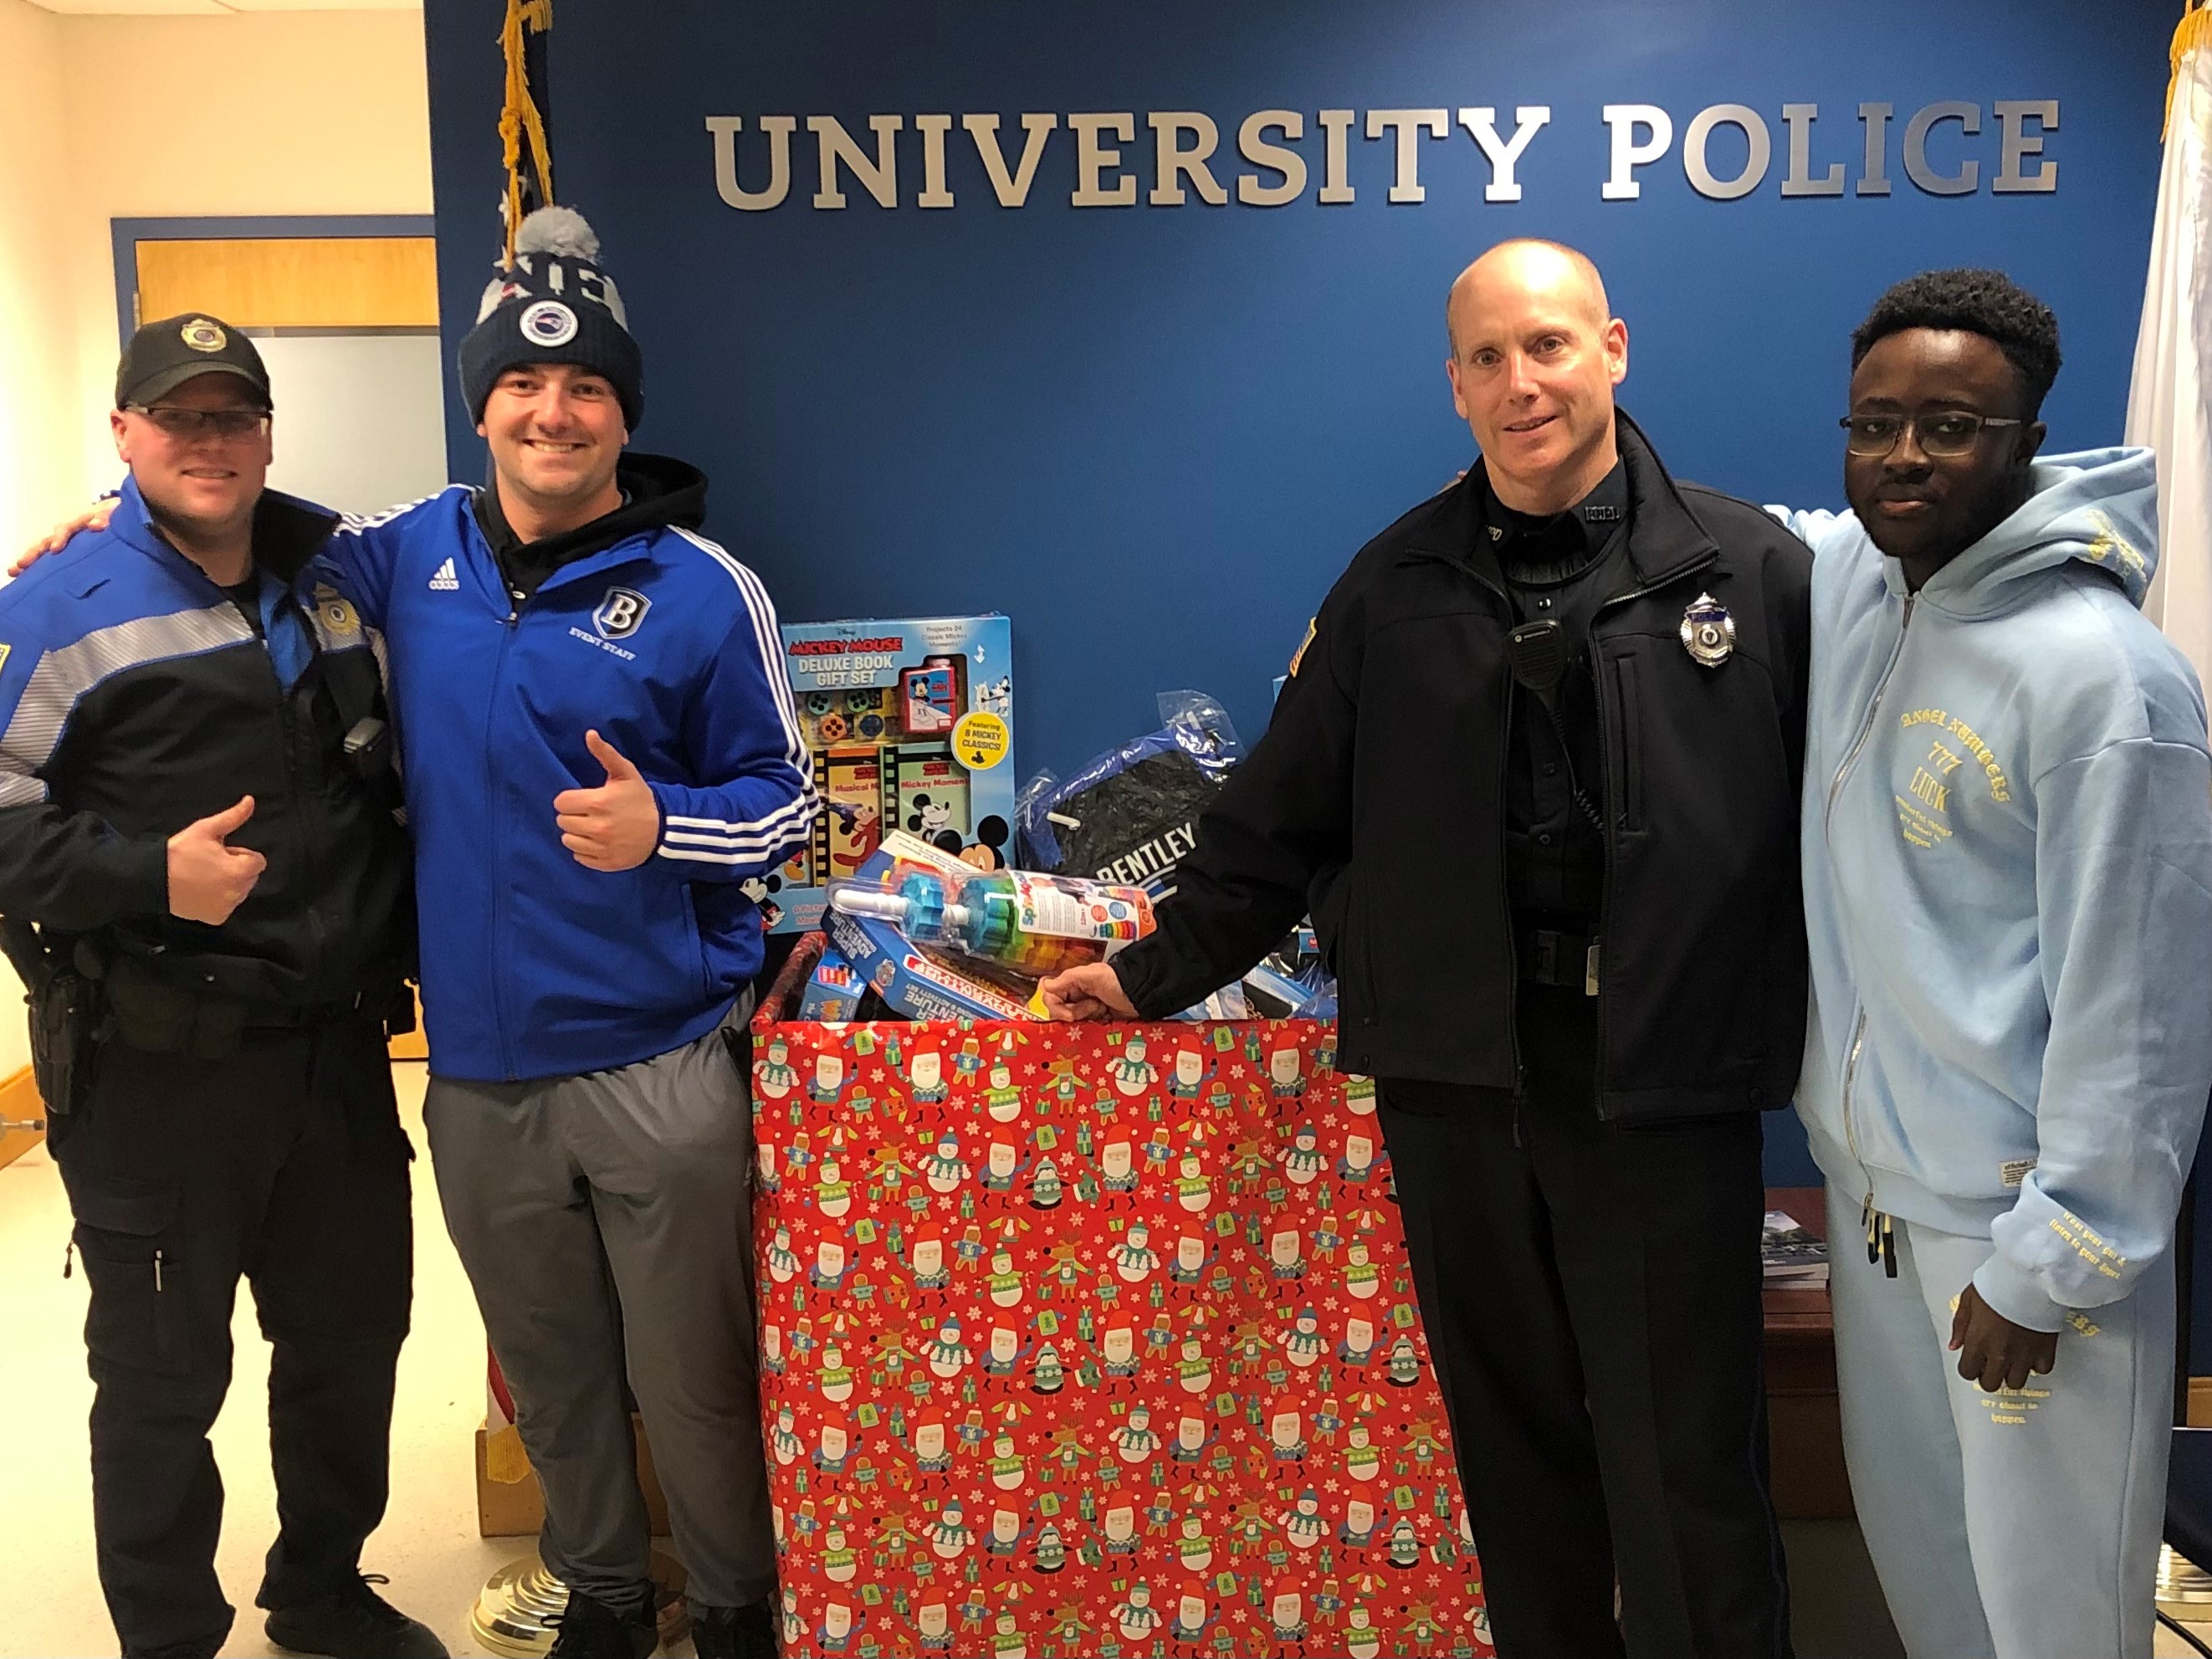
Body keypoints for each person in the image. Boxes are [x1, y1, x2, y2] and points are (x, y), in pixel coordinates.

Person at [36, 210, 810, 1659]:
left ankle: (734, 1602)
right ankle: (605, 1594)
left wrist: (670, 834)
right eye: (523, 383)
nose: (554, 411)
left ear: (623, 413)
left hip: (660, 1065)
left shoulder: (710, 592)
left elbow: (790, 805)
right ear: (484, 406)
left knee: (695, 1374)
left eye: (585, 387)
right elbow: (222, 511)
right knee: (551, 1371)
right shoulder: (405, 556)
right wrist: (108, 512)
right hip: (476, 1077)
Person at [1042, 238, 1810, 1659]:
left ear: (1615, 347)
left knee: (1687, 1478)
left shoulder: (1750, 571)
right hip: (1462, 1085)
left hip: (1662, 1086)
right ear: (1453, 384)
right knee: (1516, 1471)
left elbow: (1837, 839)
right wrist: (1154, 972)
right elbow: (1274, 819)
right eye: (1489, 358)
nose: (1523, 384)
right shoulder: (1392, 587)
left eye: (1551, 346)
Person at [1777, 269, 2212, 1659]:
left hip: (2021, 1244)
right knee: (1939, 1603)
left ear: (2027, 438)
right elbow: (1719, 535)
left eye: (1954, 427)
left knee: (2056, 1626)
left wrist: (2054, 1264)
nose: (1904, 456)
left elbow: (2139, 1014)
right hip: (1879, 1217)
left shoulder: (2107, 681)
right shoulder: (1860, 583)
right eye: (1876, 421)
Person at [0, 317, 438, 1658]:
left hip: (335, 1061)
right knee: (156, 1383)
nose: (207, 441)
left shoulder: (329, 571)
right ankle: (169, 1638)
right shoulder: (47, 606)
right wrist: (145, 875)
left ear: (263, 434)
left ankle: (319, 1587)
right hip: (156, 1068)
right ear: (124, 433)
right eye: (175, 418)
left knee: (351, 1344)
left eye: (231, 416)